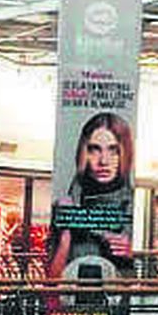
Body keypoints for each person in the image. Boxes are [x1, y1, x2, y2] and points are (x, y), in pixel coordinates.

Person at [47, 112, 134, 276]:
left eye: (113, 150)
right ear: (83, 153)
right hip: (72, 297)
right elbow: (51, 282)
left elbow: (142, 279)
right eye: (95, 149)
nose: (103, 161)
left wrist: (133, 253)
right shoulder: (67, 203)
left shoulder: (132, 206)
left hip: (115, 297)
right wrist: (65, 235)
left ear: (125, 152)